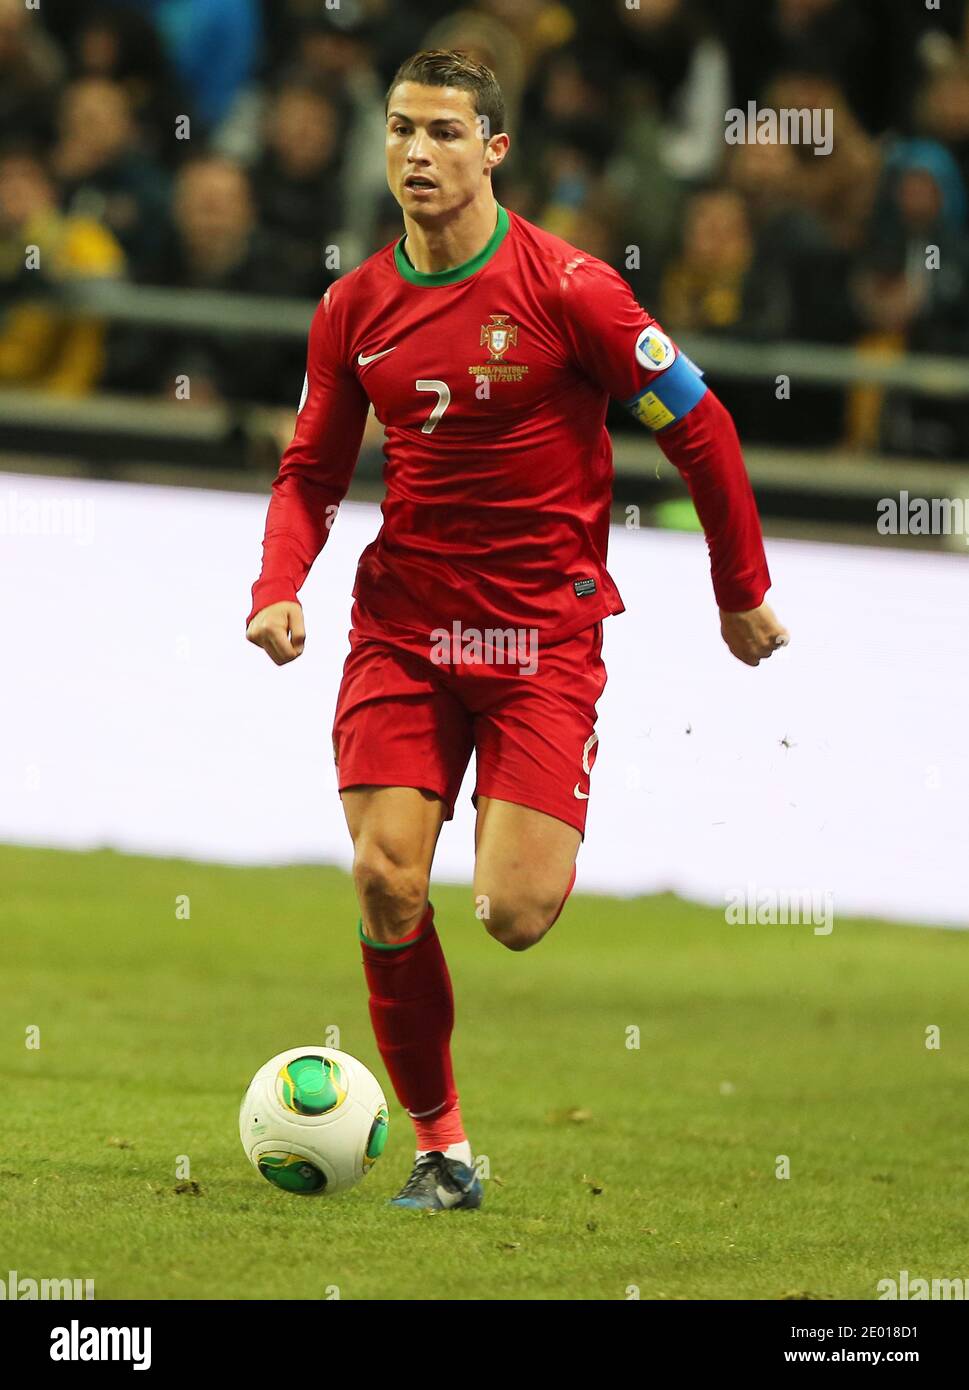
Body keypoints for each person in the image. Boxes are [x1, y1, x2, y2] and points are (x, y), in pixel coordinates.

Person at [245, 50, 789, 1213]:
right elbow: (311, 470)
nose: (418, 154)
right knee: (388, 877)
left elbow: (701, 426)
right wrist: (279, 581)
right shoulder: (354, 308)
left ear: (495, 150)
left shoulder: (573, 290)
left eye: (445, 133)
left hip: (540, 641)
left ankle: (529, 822)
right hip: (404, 631)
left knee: (512, 914)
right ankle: (443, 1150)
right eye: (401, 130)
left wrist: (737, 586)